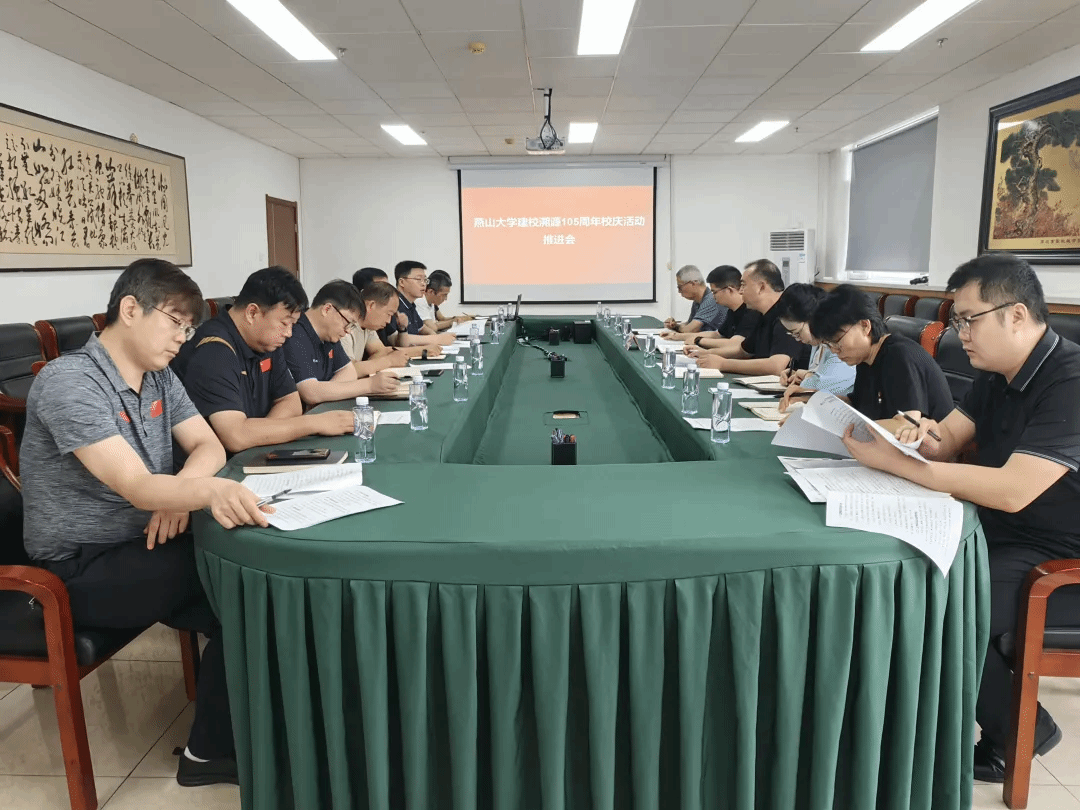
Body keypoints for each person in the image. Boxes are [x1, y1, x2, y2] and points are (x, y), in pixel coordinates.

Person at [19, 258, 272, 787]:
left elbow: (208, 445)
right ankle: (210, 755)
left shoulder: (159, 377)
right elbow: (135, 485)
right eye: (176, 322)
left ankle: (227, 740)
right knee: (241, 579)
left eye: (189, 328)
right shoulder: (70, 382)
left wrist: (178, 498)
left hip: (145, 542)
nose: (183, 338)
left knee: (249, 588)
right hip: (78, 568)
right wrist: (203, 491)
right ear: (131, 309)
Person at [838, 253, 1080, 783]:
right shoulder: (997, 372)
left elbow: (1014, 491)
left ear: (1017, 315)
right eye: (955, 321)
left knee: (943, 601)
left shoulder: (1070, 379)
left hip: (1058, 552)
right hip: (999, 528)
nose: (958, 333)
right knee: (900, 573)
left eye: (969, 320)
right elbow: (946, 440)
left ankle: (1018, 734)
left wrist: (901, 466)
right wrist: (913, 434)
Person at [171, 266, 354, 454]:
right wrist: (315, 423)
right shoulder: (214, 351)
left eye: (292, 325)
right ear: (252, 313)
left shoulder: (267, 342)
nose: (289, 333)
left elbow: (291, 402)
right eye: (285, 323)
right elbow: (236, 436)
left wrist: (258, 434)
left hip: (251, 455)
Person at [810, 283, 953, 430]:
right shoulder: (864, 360)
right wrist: (813, 402)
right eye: (829, 345)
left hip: (932, 442)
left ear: (865, 326)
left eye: (837, 341)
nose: (834, 351)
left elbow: (906, 425)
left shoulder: (899, 356)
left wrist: (850, 428)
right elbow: (857, 405)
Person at [282, 279, 399, 406]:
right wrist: (369, 385)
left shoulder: (330, 334)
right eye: (348, 323)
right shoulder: (295, 334)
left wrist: (324, 394)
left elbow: (349, 371)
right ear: (327, 309)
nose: (348, 331)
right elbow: (311, 392)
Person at [689, 259, 810, 375]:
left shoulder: (787, 313)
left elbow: (776, 366)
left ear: (761, 287)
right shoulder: (761, 314)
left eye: (743, 285)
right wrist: (707, 354)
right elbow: (743, 351)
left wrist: (723, 364)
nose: (740, 291)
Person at [775, 284, 856, 410]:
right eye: (792, 334)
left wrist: (807, 376)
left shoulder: (839, 340)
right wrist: (803, 375)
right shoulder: (817, 344)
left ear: (813, 319)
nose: (797, 339)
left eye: (797, 332)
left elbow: (823, 387)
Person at [672, 265, 760, 350]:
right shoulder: (732, 311)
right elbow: (718, 334)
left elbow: (735, 344)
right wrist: (678, 336)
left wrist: (698, 341)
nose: (713, 297)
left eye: (714, 292)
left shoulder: (751, 311)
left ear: (729, 290)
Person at [351, 268, 432, 359]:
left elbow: (382, 351)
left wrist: (402, 329)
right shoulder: (347, 326)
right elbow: (349, 366)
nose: (388, 321)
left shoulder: (370, 326)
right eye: (382, 288)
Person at [390, 260, 454, 349]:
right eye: (418, 279)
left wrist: (437, 338)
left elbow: (423, 328)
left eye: (425, 280)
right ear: (402, 282)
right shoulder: (393, 304)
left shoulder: (411, 304)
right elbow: (395, 340)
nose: (424, 284)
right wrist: (436, 339)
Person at [662, 265, 727, 334]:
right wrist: (673, 325)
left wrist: (676, 327)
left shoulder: (711, 299)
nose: (679, 291)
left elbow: (689, 330)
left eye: (680, 287)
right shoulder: (698, 301)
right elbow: (689, 324)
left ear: (693, 284)